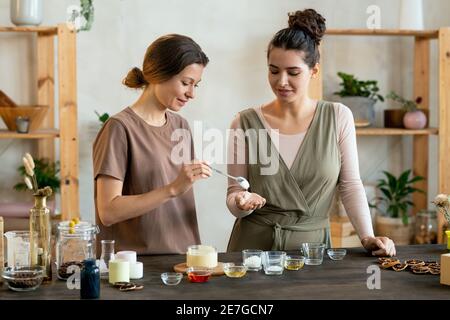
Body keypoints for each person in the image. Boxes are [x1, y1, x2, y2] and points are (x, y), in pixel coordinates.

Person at [226, 9, 396, 257]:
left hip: (312, 252)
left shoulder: (338, 116)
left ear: (313, 71)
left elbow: (350, 186)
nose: (281, 81)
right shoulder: (243, 122)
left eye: (293, 72)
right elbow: (234, 194)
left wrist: (367, 236)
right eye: (274, 71)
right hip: (251, 251)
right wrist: (241, 203)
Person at [93, 34, 212, 254]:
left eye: (196, 85)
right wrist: (173, 188)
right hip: (136, 266)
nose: (192, 93)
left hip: (186, 260)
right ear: (159, 74)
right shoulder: (119, 128)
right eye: (185, 83)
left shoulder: (181, 126)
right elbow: (108, 211)